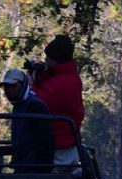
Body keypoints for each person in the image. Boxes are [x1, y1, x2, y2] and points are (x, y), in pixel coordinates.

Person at [30, 35, 84, 171]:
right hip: (65, 143)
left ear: (56, 60)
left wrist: (31, 86)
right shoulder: (68, 77)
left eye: (48, 57)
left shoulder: (62, 83)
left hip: (59, 146)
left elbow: (39, 104)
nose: (46, 60)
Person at [0, 69, 53, 173]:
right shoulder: (18, 105)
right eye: (6, 87)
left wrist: (41, 171)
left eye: (13, 86)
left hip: (34, 170)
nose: (9, 90)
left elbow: (44, 144)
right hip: (22, 166)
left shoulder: (35, 106)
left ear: (23, 85)